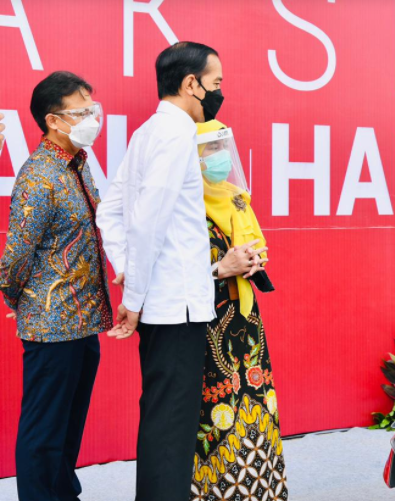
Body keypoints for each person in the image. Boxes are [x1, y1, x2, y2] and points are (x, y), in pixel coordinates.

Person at [95, 42, 227, 501]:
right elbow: (147, 220)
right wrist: (131, 298)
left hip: (164, 303)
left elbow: (110, 212)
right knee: (171, 428)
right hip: (177, 306)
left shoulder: (147, 132)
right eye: (215, 84)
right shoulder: (174, 136)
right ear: (191, 83)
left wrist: (128, 270)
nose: (217, 94)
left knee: (161, 418)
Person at [0, 71, 111, 501]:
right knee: (44, 430)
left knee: (68, 426)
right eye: (81, 111)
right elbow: (13, 261)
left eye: (92, 108)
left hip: (85, 321)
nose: (91, 118)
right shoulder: (38, 176)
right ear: (53, 120)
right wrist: (27, 303)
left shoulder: (78, 165)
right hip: (52, 326)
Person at [190, 120, 288, 500]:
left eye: (220, 148)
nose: (218, 158)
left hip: (245, 320)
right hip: (205, 322)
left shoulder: (234, 195)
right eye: (208, 150)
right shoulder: (184, 202)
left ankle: (262, 489)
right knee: (215, 410)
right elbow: (171, 274)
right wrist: (219, 268)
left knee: (259, 403)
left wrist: (253, 260)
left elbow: (255, 244)